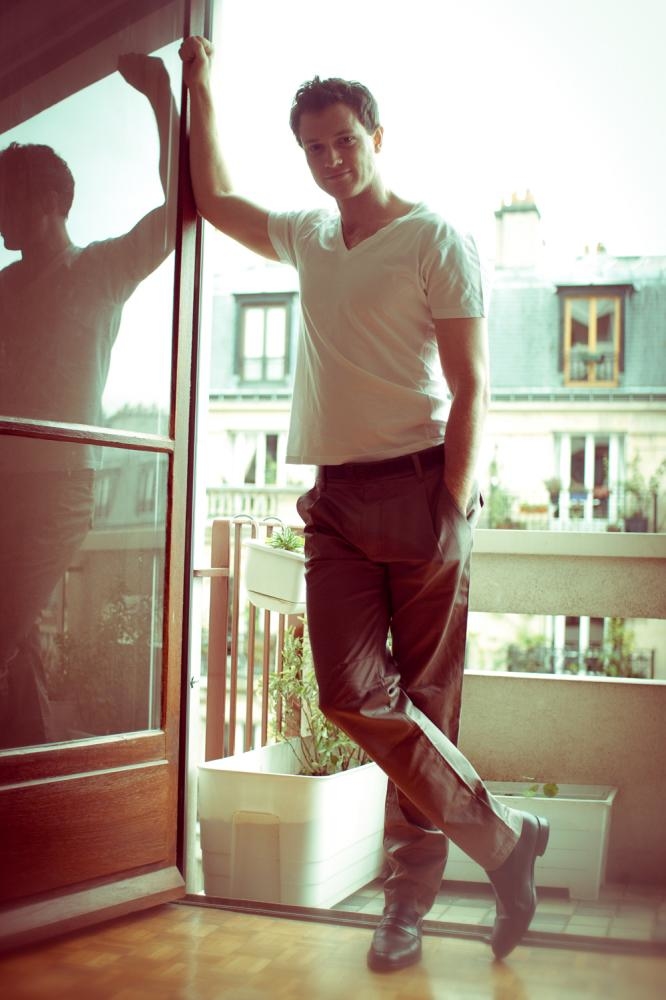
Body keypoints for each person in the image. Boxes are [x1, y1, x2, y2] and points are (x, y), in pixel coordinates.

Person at [179, 36, 550, 971]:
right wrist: (196, 84)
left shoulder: (435, 239)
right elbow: (215, 200)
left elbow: (473, 385)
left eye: (345, 140)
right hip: (337, 502)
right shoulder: (308, 234)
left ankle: (406, 907)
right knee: (351, 693)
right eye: (314, 147)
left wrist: (452, 507)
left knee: (426, 703)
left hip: (423, 487)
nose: (331, 159)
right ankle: (505, 840)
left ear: (377, 137)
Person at [0, 54, 178, 750]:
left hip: (61, 490)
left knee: (5, 629)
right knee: (20, 641)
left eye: (7, 200)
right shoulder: (4, 289)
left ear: (49, 202)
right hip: (6, 483)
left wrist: (163, 99)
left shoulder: (100, 268)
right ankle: (34, 776)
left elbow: (178, 210)